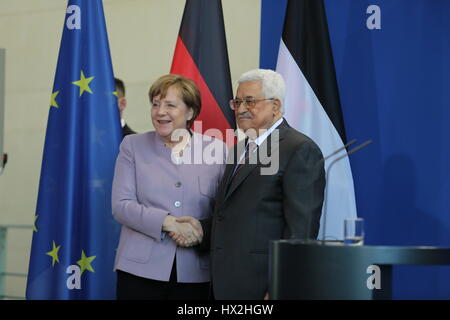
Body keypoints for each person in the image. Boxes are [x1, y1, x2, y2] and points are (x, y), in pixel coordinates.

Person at [172, 69, 326, 299]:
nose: (241, 108)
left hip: (263, 285)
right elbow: (234, 214)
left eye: (250, 101)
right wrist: (201, 229)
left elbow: (301, 232)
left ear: (275, 105)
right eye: (237, 101)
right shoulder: (238, 150)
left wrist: (281, 286)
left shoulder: (299, 149)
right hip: (224, 283)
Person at [111, 74, 226, 300]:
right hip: (139, 272)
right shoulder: (132, 145)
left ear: (190, 112)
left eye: (170, 105)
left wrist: (200, 231)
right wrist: (169, 223)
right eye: (155, 104)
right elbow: (121, 206)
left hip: (196, 274)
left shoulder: (218, 149)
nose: (160, 112)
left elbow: (225, 212)